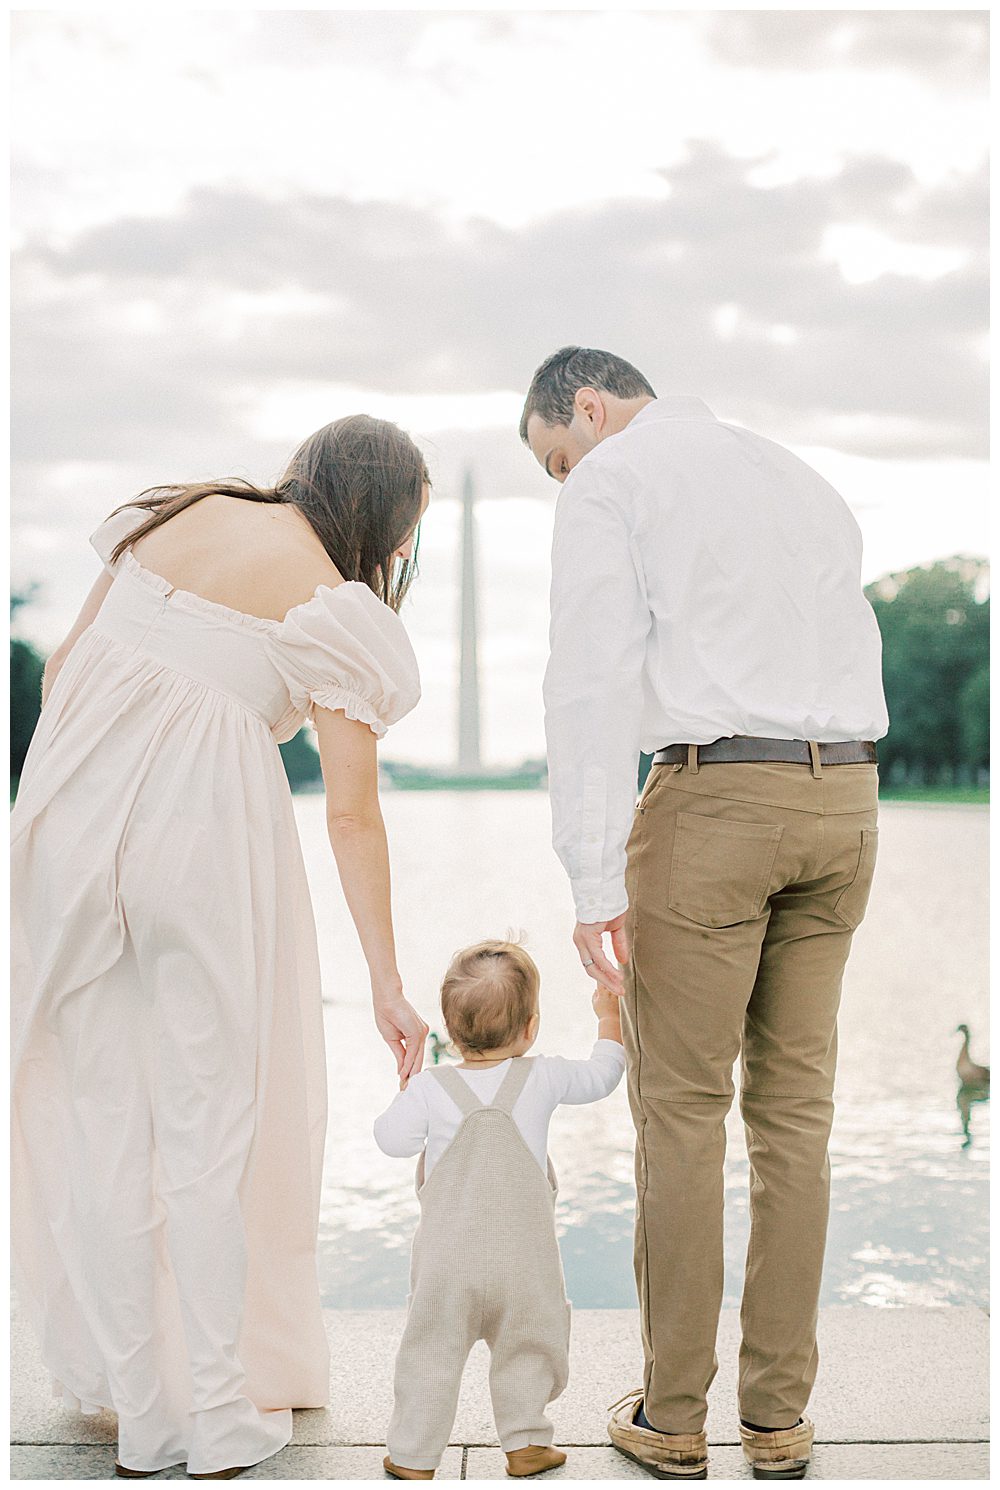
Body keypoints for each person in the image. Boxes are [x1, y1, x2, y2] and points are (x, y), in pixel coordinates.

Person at [11, 415, 431, 1479]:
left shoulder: (175, 511)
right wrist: (385, 976)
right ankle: (217, 1411)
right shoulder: (335, 608)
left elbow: (64, 675)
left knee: (108, 1121)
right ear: (380, 518)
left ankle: (144, 1419)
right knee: (207, 1126)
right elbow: (350, 815)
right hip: (200, 837)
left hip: (65, 822)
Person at [521, 347, 888, 1480]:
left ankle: (673, 1412)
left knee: (679, 1112)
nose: (560, 478)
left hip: (715, 799)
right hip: (847, 797)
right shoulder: (792, 473)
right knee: (796, 1121)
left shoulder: (616, 481)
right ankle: (778, 1416)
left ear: (585, 406)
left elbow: (585, 680)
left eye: (554, 457)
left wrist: (589, 878)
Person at [373, 940, 626, 1480]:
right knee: (530, 1347)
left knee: (430, 1354)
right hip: (525, 1266)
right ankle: (527, 1441)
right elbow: (603, 1076)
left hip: (446, 1269)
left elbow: (390, 1141)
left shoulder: (431, 1087)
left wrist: (406, 1092)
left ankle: (414, 1454)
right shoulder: (545, 1076)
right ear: (531, 1027)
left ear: (448, 1025)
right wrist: (609, 1017)